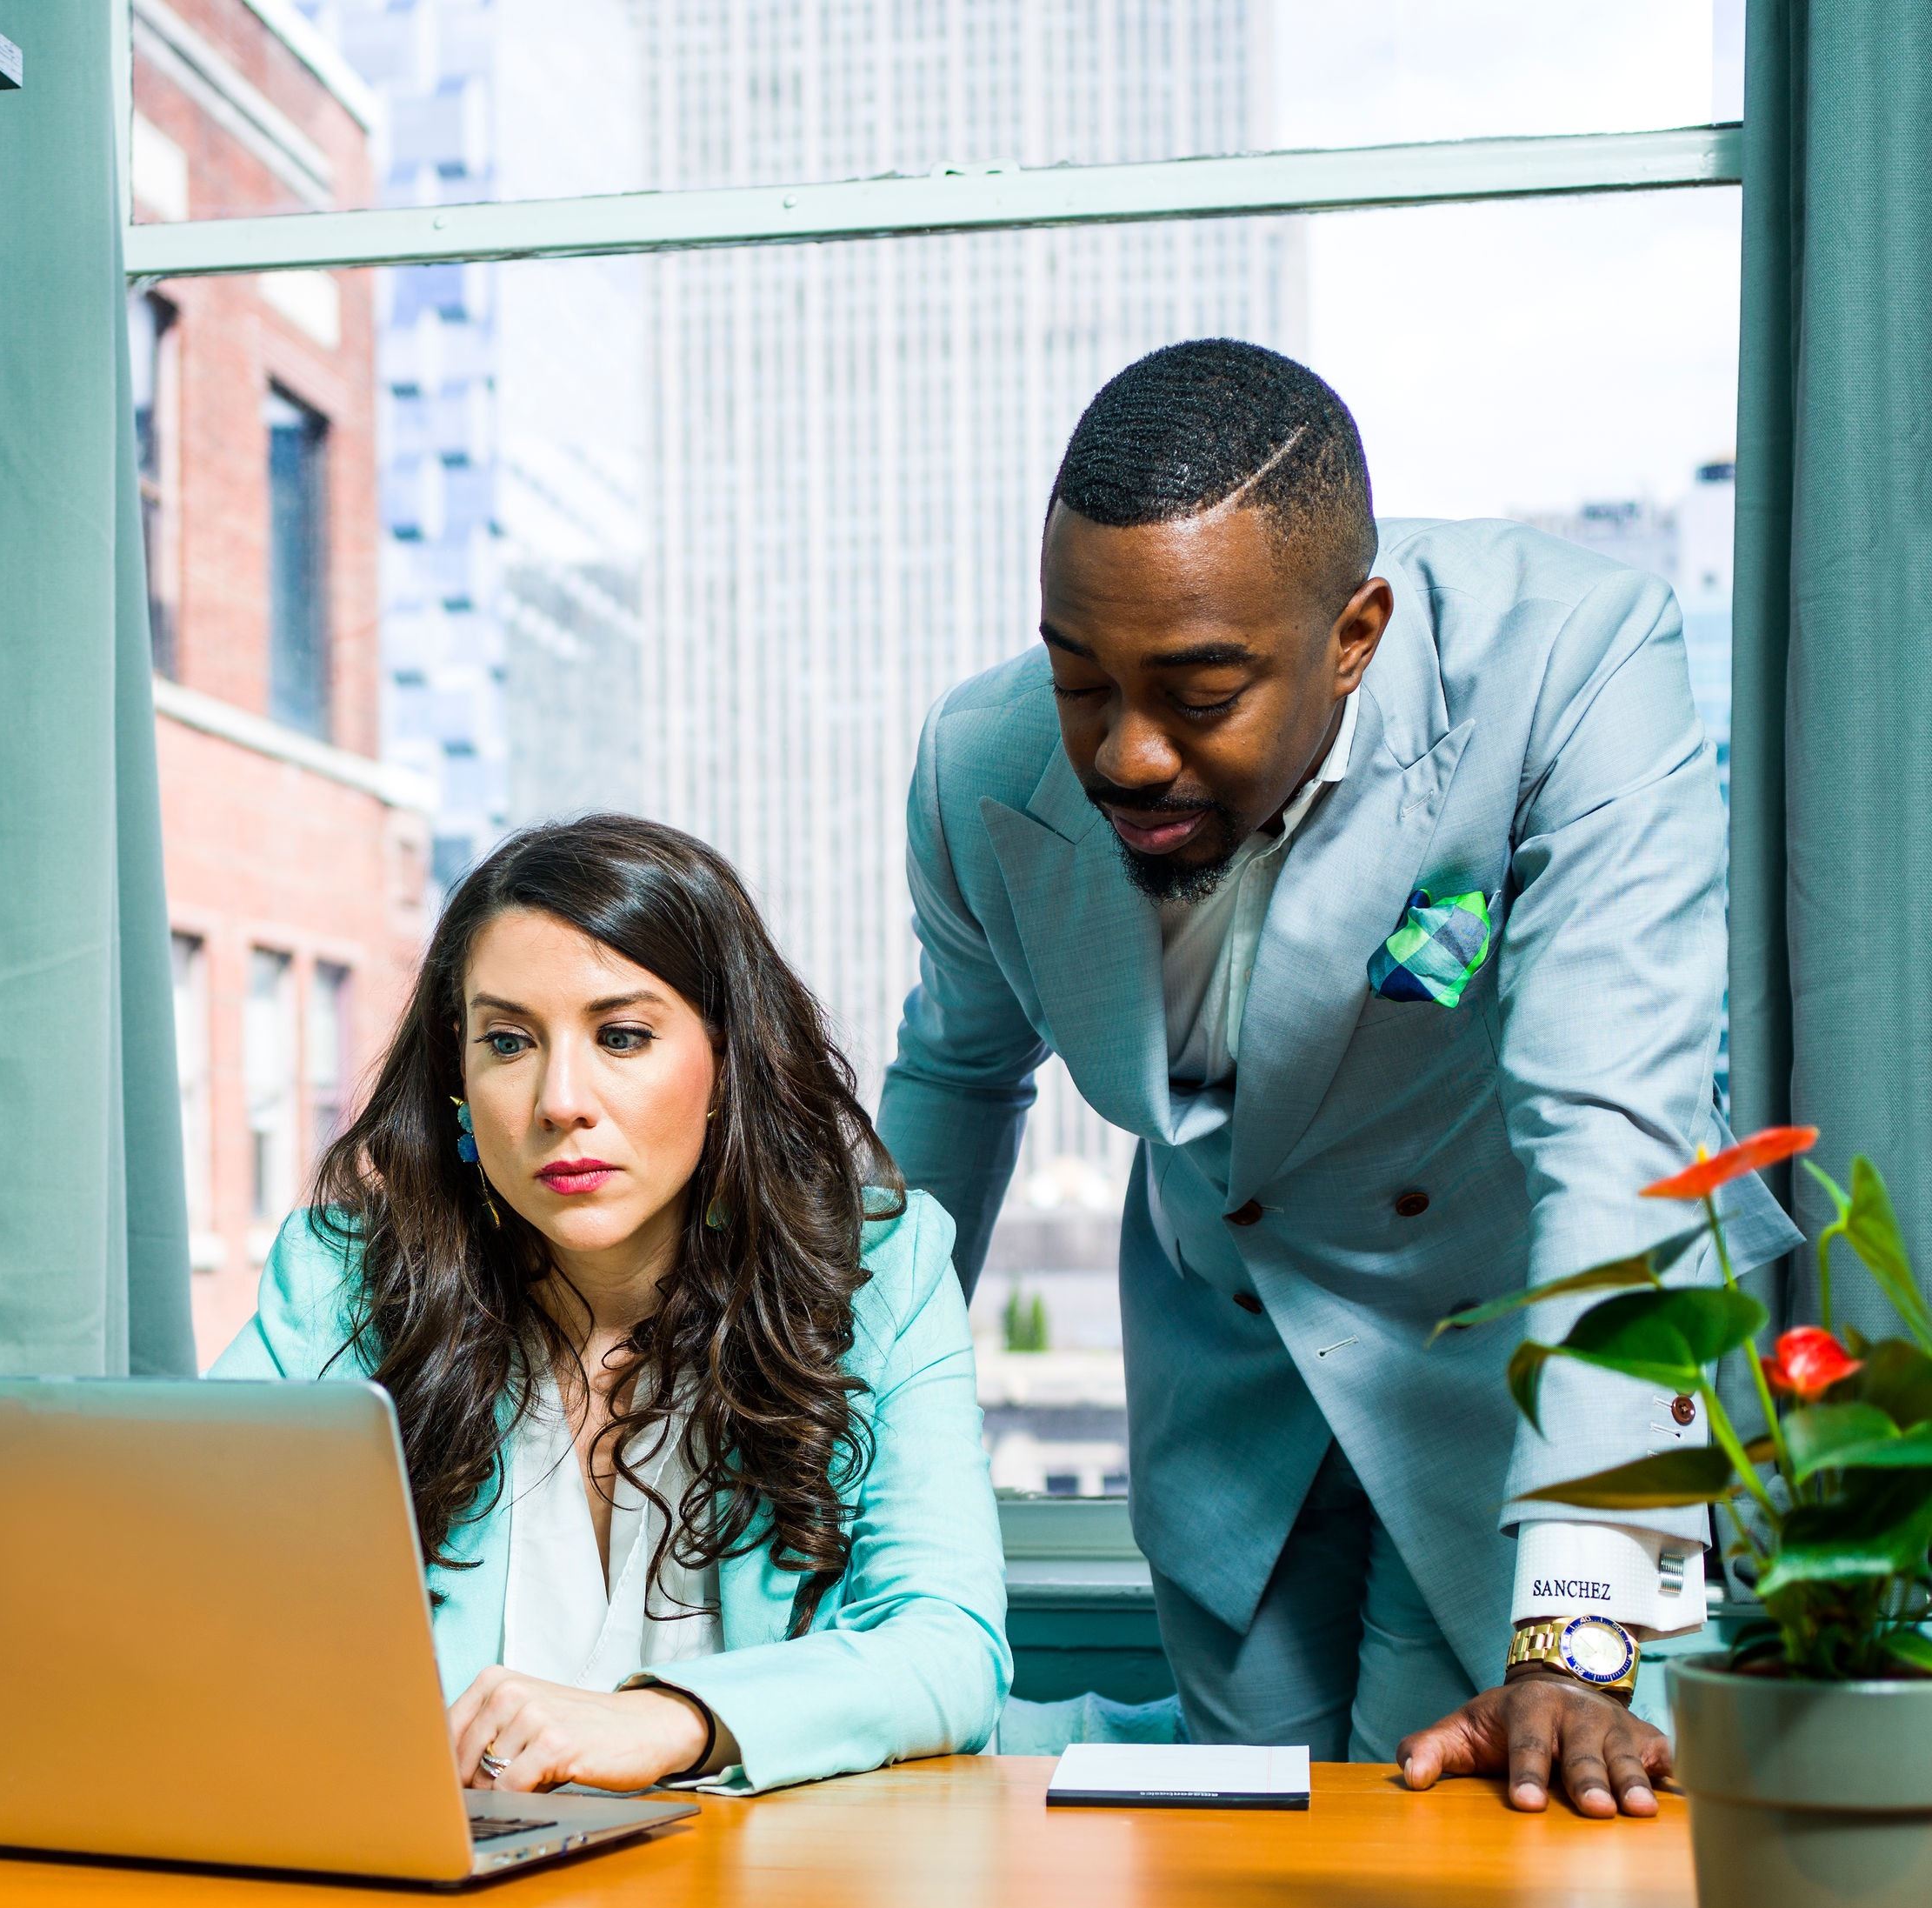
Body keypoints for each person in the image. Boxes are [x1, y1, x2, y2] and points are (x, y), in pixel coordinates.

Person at [883, 338, 1799, 1814]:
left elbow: (1614, 1131)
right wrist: (815, 1425)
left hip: (1541, 1358)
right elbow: (955, 1086)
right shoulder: (976, 763)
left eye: (1198, 691)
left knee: (1532, 1849)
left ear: (1354, 633)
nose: (1125, 749)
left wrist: (1577, 1630)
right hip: (1234, 1368)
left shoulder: (1573, 658)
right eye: (1079, 677)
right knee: (1253, 1855)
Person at [213, 815, 1008, 1795]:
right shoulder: (344, 1287)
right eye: (508, 1041)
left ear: (727, 1061)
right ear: (457, 1079)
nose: (560, 1100)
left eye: (622, 1035)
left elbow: (949, 1647)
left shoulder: (881, 1270)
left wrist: (675, 1719)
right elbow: (182, 1588)